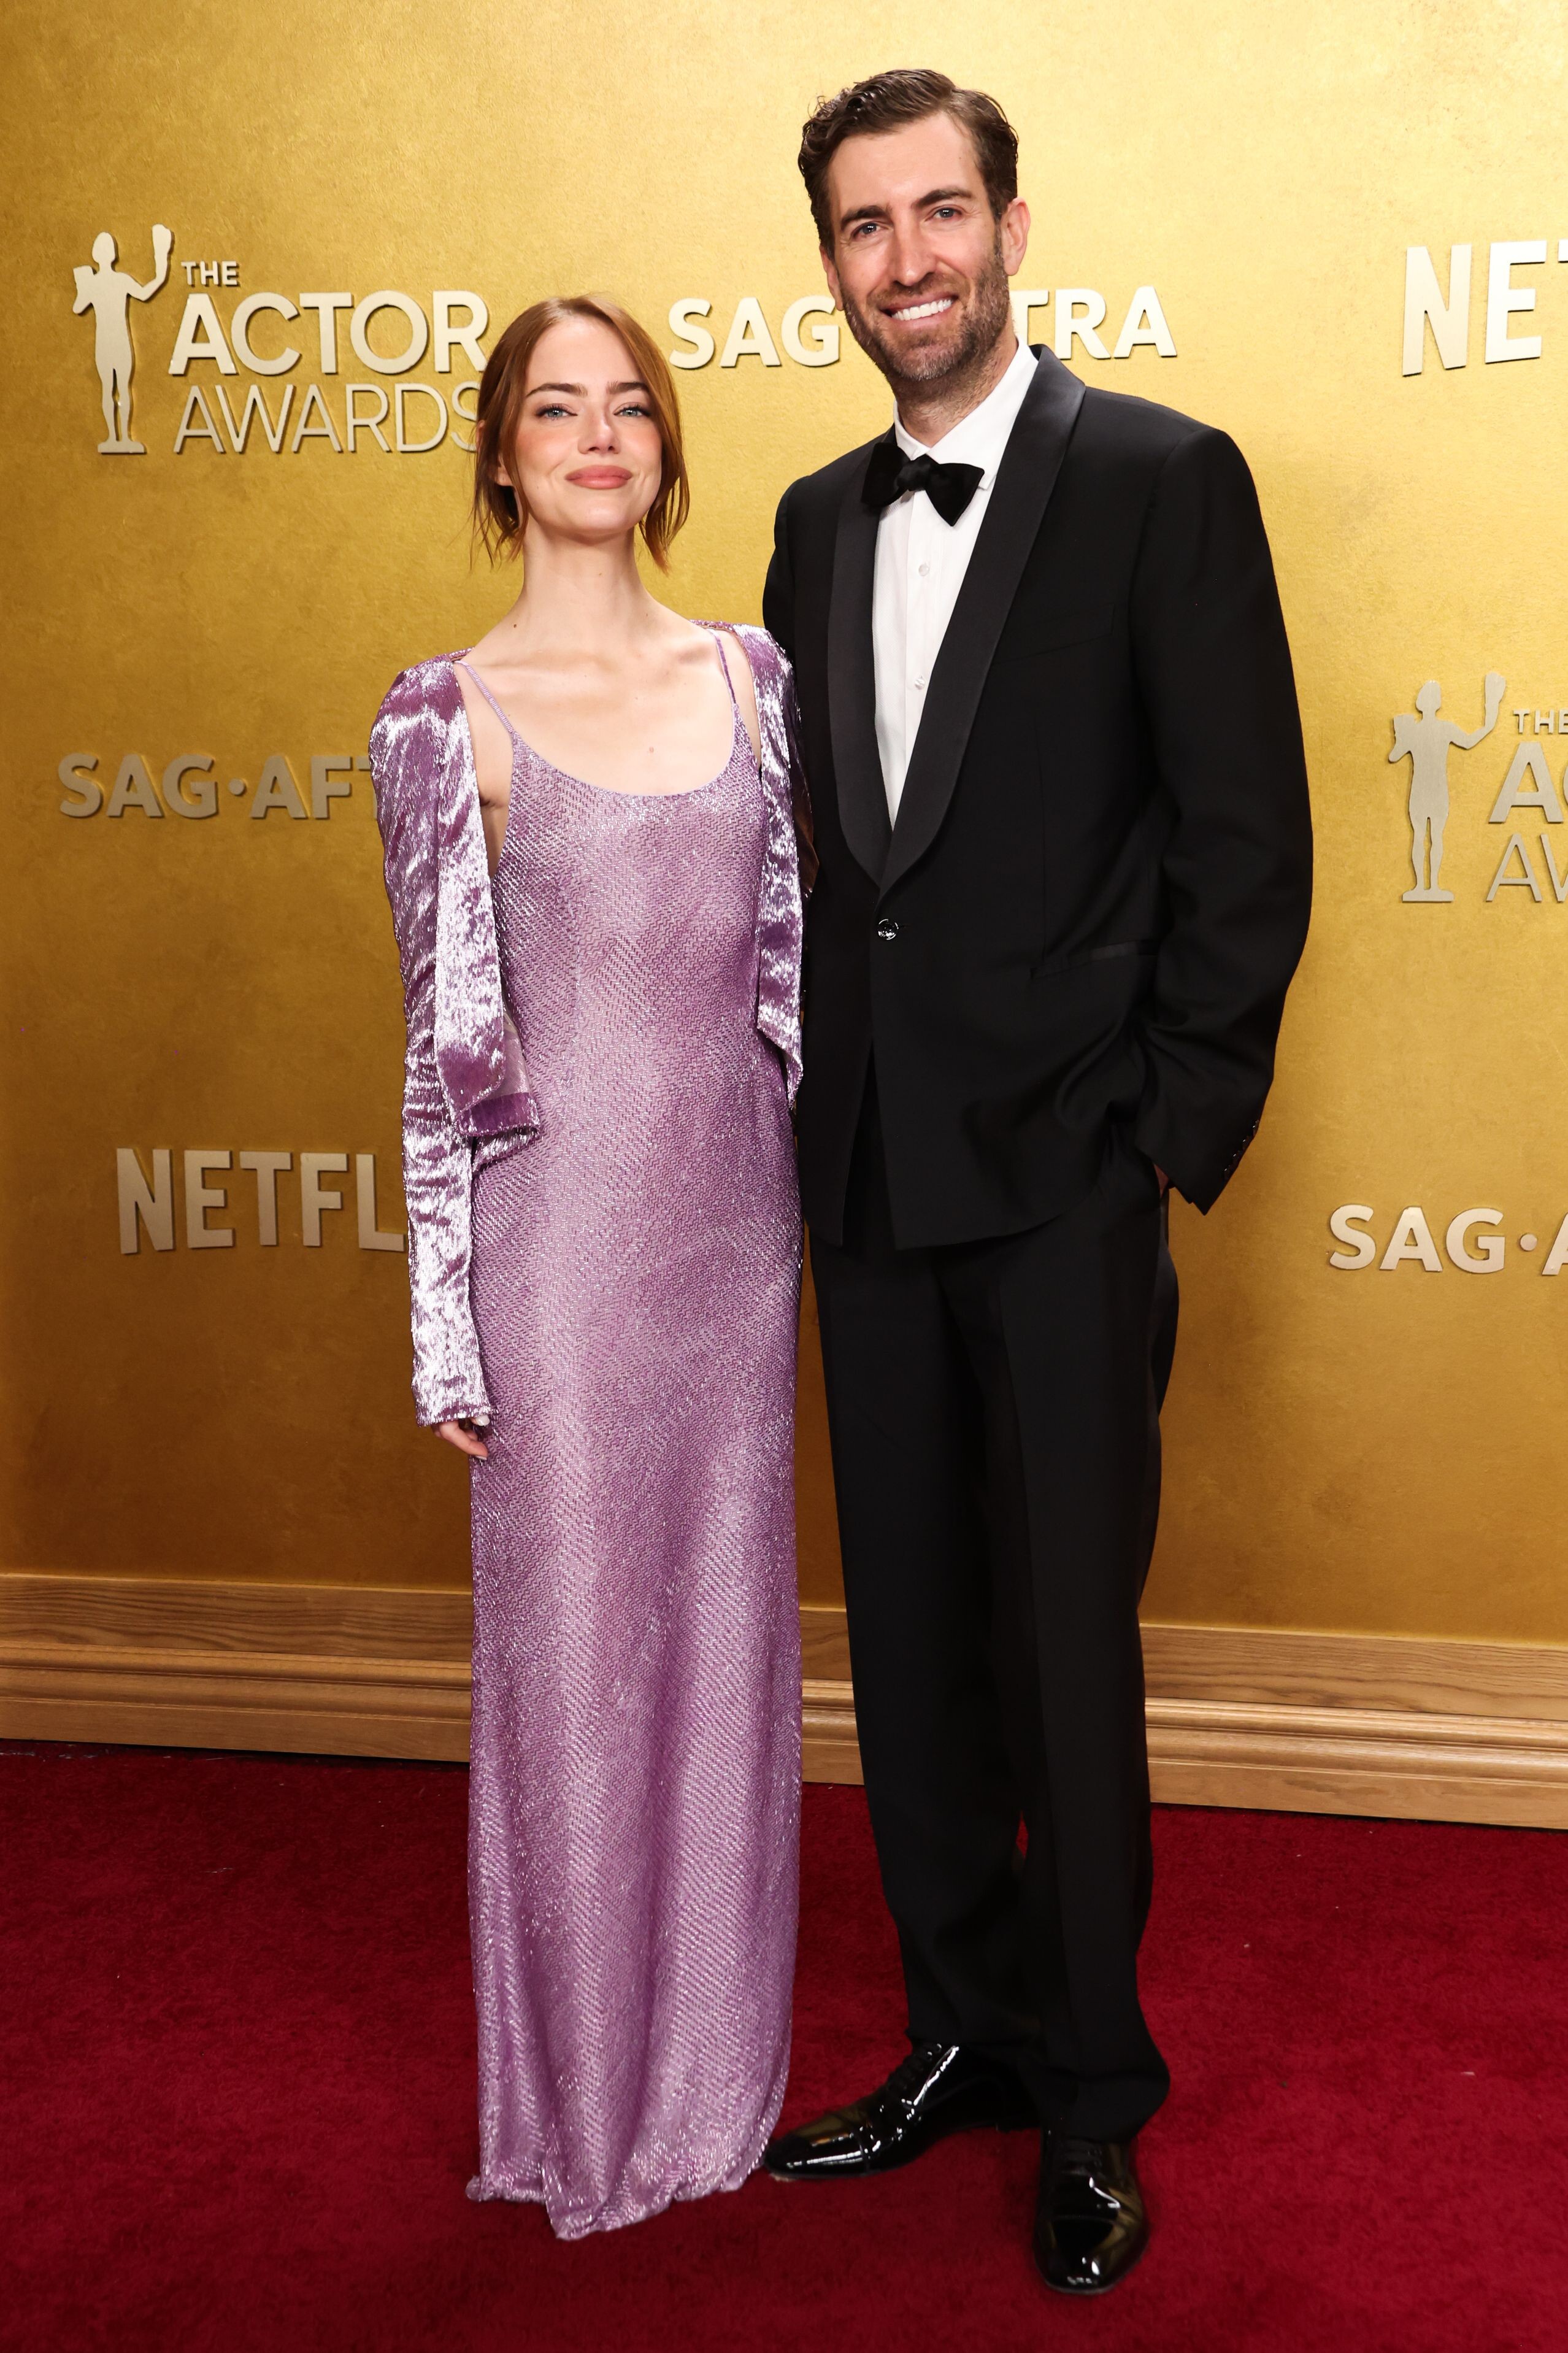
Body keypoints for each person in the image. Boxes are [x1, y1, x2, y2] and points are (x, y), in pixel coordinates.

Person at [761, 71, 1312, 2295]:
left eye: (939, 211)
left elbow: (1245, 839)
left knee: (1063, 1653)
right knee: (908, 1645)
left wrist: (1158, 1132)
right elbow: (828, 868)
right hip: (867, 1173)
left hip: (1071, 1173)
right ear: (829, 260)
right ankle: (962, 2033)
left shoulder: (1164, 480)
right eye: (863, 224)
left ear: (1008, 224)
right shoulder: (810, 520)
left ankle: (1091, 2092)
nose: (907, 258)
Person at [369, 295, 810, 2237]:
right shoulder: (440, 720)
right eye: (555, 408)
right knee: (570, 1675)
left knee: (725, 1663)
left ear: (664, 444)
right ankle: (578, 2106)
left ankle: (714, 2082)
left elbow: (795, 996)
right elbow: (435, 1046)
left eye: (628, 403)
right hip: (556, 1260)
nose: (597, 434)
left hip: (738, 1246)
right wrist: (442, 1326)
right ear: (502, 455)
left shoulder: (757, 679)